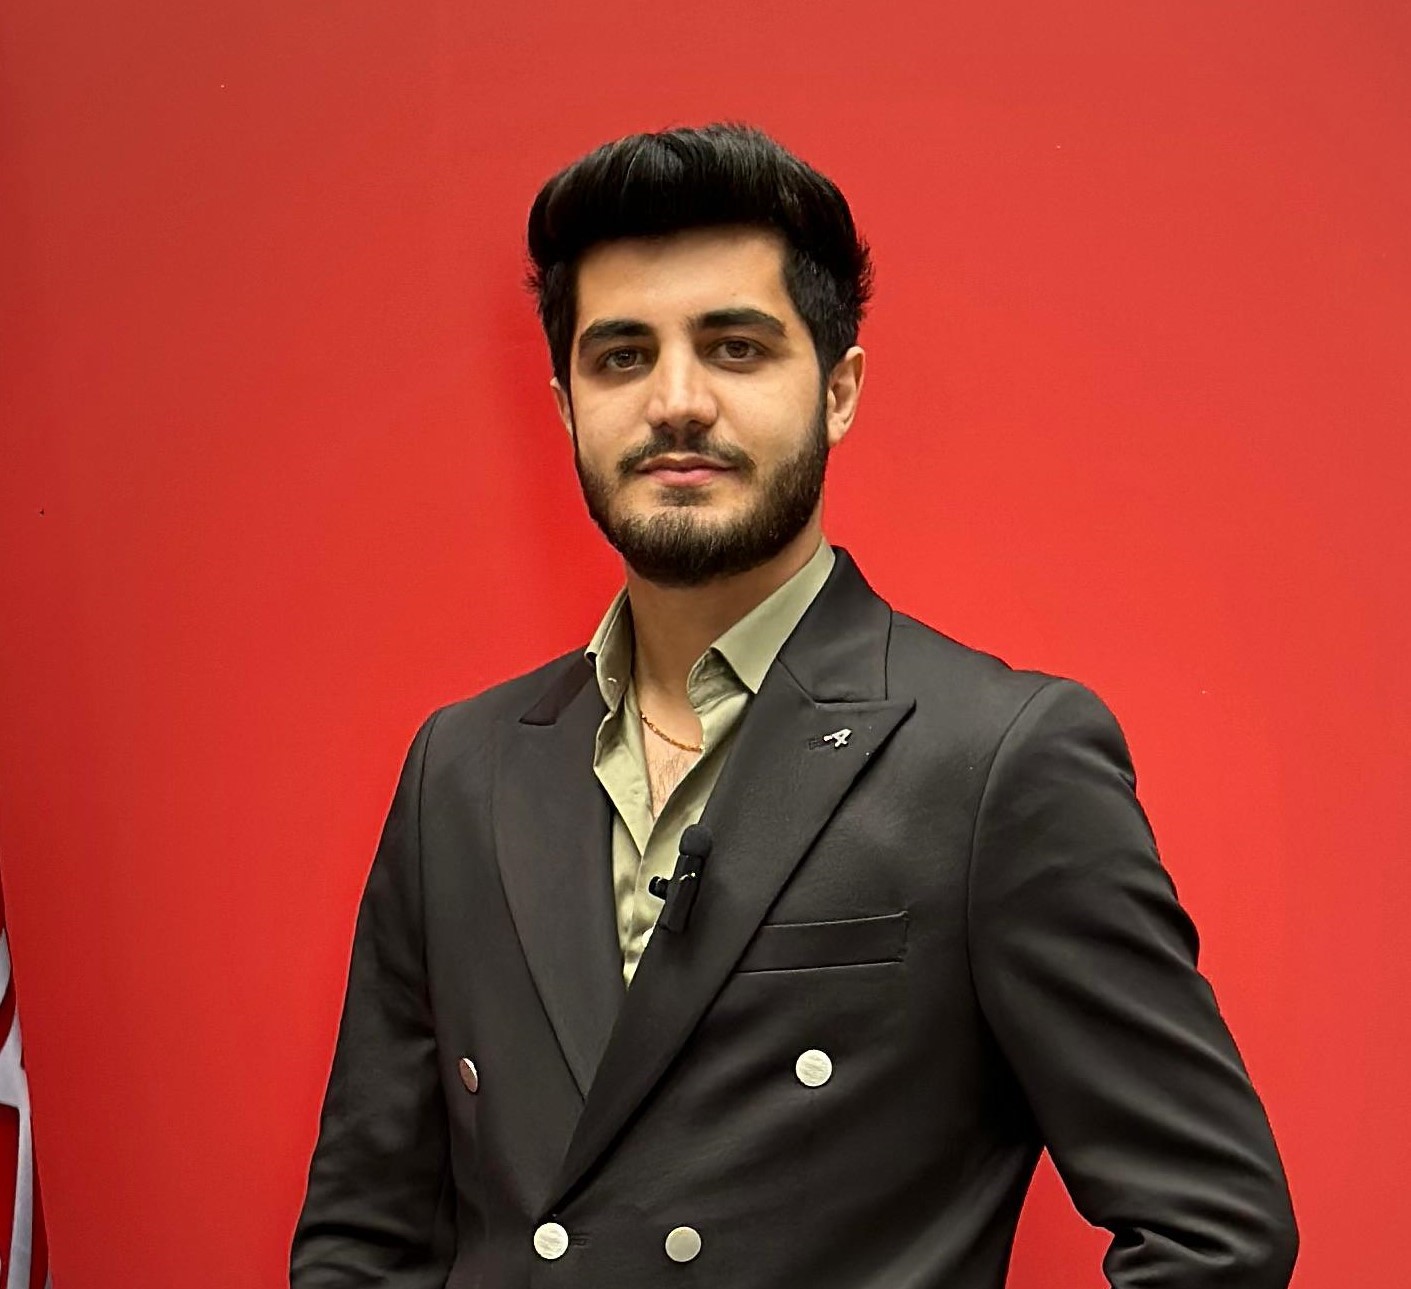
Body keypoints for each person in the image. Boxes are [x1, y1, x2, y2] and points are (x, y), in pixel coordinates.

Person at [290, 123, 1297, 1288]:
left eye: (735, 348)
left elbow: (1216, 1234)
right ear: (564, 407)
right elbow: (366, 1241)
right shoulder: (460, 770)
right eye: (621, 356)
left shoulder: (994, 761)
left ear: (839, 389)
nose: (676, 401)